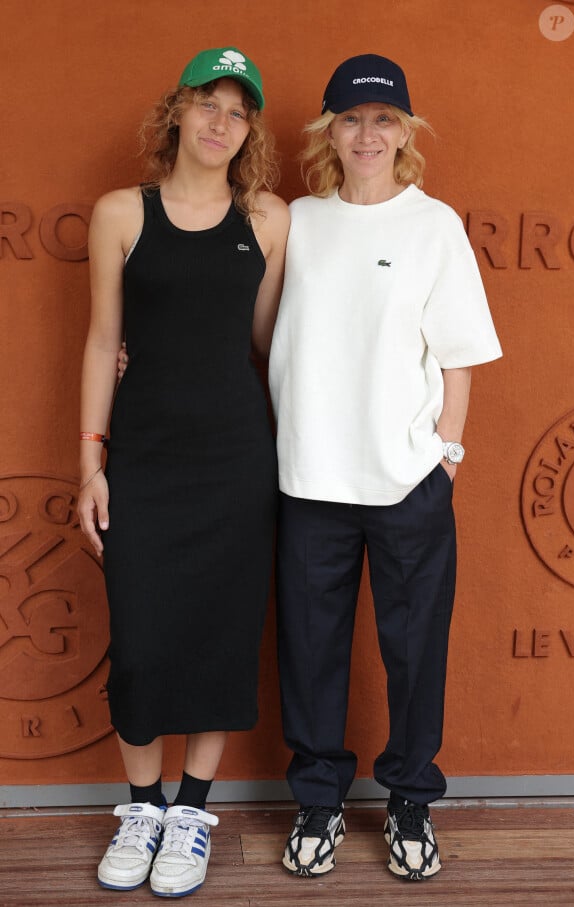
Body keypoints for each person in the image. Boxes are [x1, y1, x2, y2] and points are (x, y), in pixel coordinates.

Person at [268, 54, 502, 881]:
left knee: (414, 652)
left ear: (407, 131)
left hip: (408, 482)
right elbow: (247, 320)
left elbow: (461, 355)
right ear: (329, 128)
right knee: (311, 651)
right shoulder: (297, 219)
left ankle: (409, 800)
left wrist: (446, 457)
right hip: (307, 482)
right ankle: (320, 801)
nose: (368, 133)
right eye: (352, 118)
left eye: (385, 119)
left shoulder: (432, 224)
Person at [77, 47, 289, 898]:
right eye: (208, 102)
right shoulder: (122, 212)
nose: (220, 122)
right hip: (145, 460)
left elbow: (268, 345)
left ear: (248, 131)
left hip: (238, 461)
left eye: (238, 111)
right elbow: (100, 340)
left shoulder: (268, 219)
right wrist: (89, 460)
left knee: (219, 635)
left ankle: (191, 814)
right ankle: (142, 805)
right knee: (141, 641)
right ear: (179, 110)